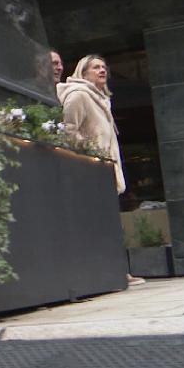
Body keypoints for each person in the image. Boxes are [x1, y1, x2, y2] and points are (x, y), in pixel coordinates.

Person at [56, 54, 144, 287]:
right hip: (91, 172)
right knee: (99, 224)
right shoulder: (79, 96)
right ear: (83, 73)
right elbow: (68, 130)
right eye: (96, 67)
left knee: (110, 224)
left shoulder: (101, 100)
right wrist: (93, 153)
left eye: (104, 67)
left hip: (105, 171)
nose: (102, 70)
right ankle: (113, 273)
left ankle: (118, 272)